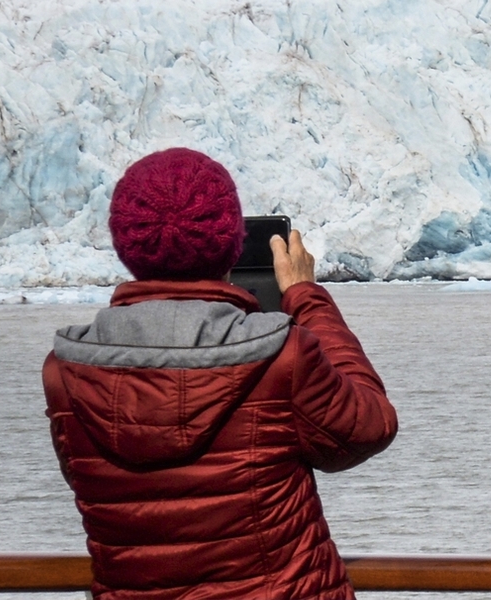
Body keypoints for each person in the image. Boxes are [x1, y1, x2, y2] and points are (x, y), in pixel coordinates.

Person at [43, 148, 398, 599]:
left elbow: (89, 481)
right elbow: (368, 426)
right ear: (231, 244)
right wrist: (307, 298)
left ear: (126, 245)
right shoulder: (281, 357)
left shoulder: (66, 372)